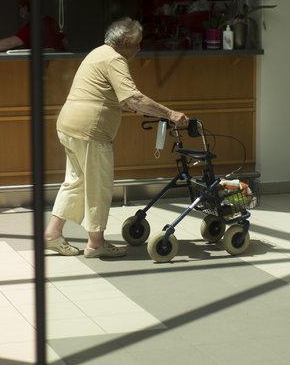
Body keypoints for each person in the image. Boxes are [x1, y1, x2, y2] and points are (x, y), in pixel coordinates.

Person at [44, 17, 188, 258]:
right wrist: (170, 114)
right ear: (124, 41)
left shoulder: (98, 53)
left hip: (69, 126)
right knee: (98, 186)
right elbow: (132, 99)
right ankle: (96, 243)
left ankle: (52, 234)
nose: (139, 49)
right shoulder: (114, 59)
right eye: (137, 43)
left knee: (76, 182)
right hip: (90, 131)